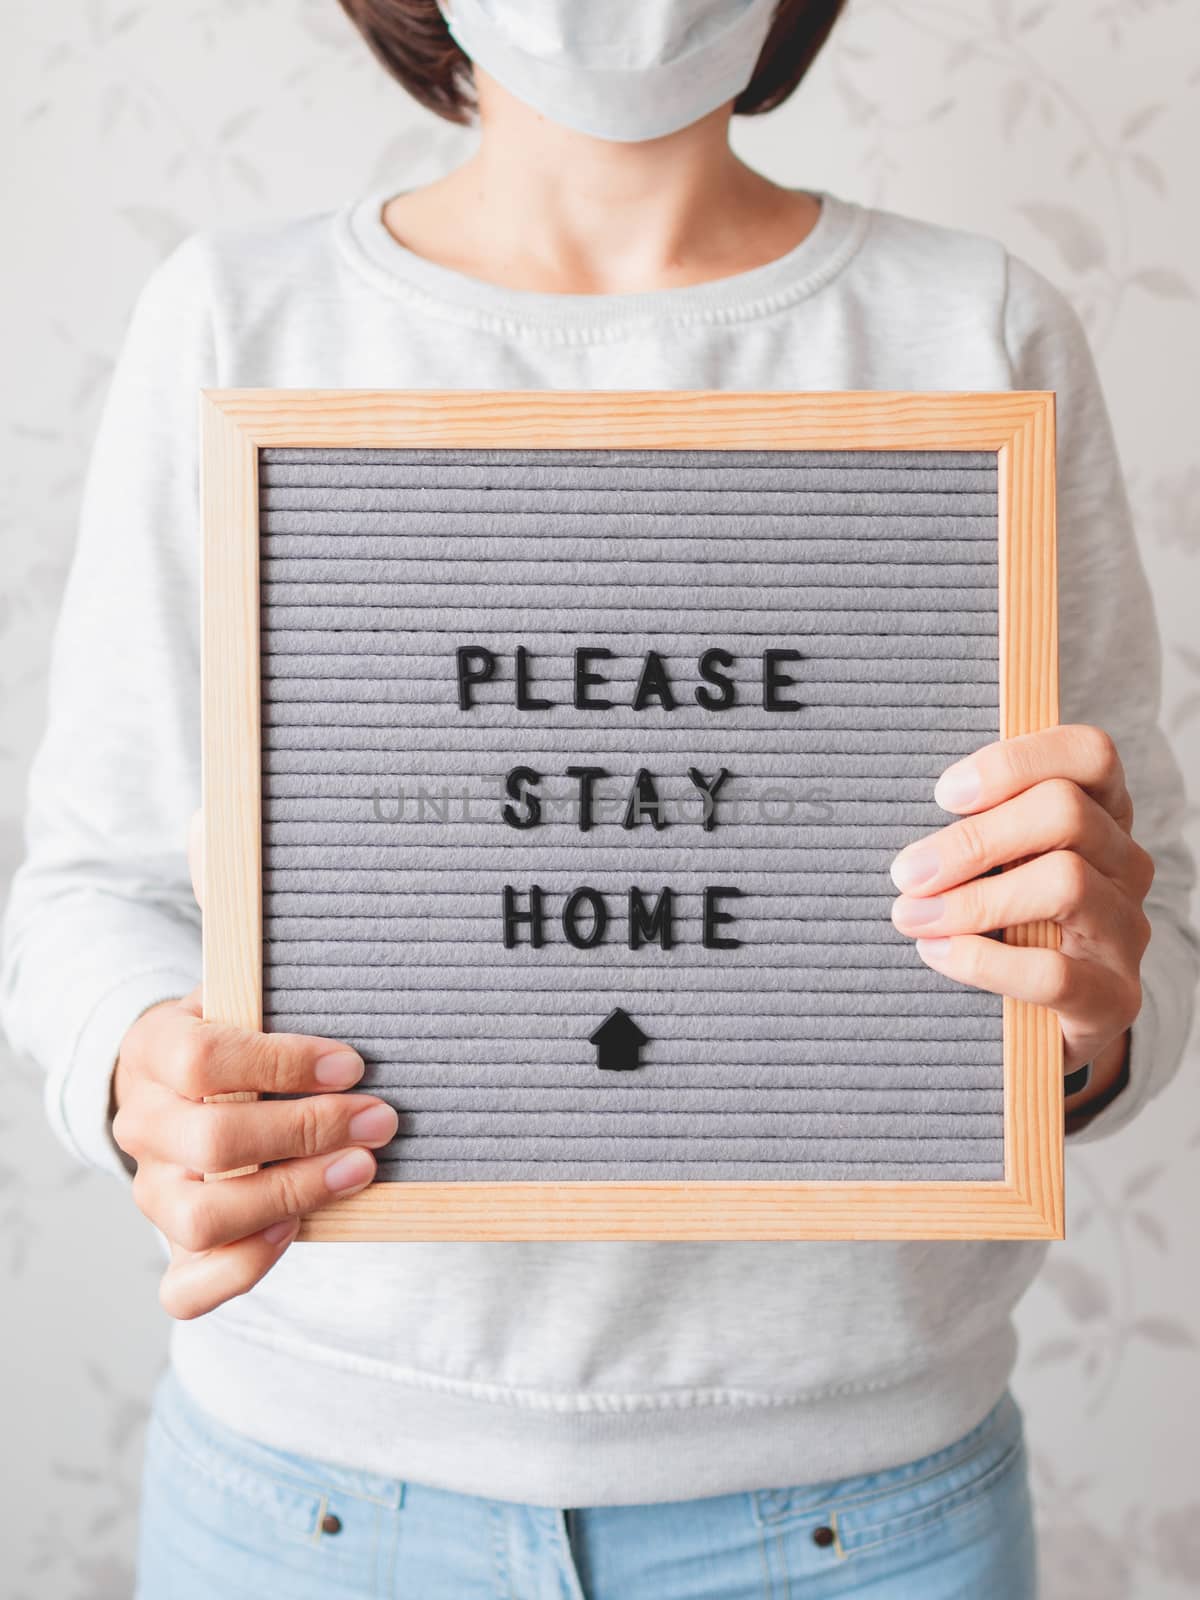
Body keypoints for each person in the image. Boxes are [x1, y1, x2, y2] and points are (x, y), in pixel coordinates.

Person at [2, 1, 1196, 1595]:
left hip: (865, 1514)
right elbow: (95, 884)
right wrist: (140, 1071)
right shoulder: (238, 320)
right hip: (314, 1509)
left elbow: (1151, 919)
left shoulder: (976, 328)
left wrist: (1086, 1019)